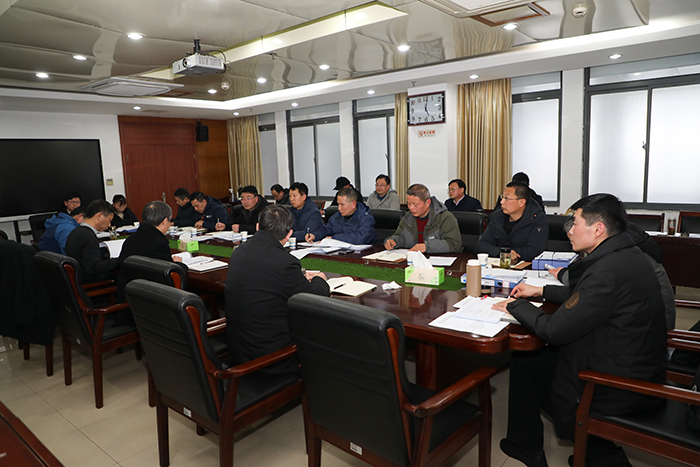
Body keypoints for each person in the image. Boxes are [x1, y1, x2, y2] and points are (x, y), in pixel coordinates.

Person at [492, 194, 667, 467]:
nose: (569, 231)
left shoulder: (606, 270)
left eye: (575, 223)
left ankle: (571, 447)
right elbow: (591, 298)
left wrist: (516, 306)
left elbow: (554, 330)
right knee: (532, 362)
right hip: (637, 362)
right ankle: (593, 452)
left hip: (618, 383)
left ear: (598, 229)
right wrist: (542, 290)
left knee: (529, 361)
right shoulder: (626, 255)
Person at [224, 205, 330, 375]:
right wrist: (320, 279)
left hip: (238, 351)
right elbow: (314, 298)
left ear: (257, 227)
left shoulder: (238, 252)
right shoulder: (284, 262)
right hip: (270, 360)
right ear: (289, 234)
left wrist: (298, 277)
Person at [116, 201, 185, 300]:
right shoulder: (158, 243)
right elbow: (169, 277)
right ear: (165, 221)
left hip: (130, 294)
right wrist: (178, 265)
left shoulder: (131, 239)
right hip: (149, 300)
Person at [477, 181, 548, 263]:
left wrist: (512, 253)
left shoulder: (537, 219)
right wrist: (502, 252)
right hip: (500, 264)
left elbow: (536, 250)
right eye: (502, 197)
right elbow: (482, 245)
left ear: (521, 202)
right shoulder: (497, 216)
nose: (501, 202)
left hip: (527, 266)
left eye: (506, 198)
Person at [384, 184, 461, 253]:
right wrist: (394, 241)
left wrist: (426, 247)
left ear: (427, 203)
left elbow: (454, 244)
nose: (411, 208)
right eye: (409, 203)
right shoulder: (408, 217)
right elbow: (400, 236)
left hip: (438, 260)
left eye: (415, 204)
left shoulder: (445, 217)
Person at [64, 200, 118, 283]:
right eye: (109, 220)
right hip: (89, 281)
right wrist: (118, 260)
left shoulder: (77, 231)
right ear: (99, 216)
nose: (109, 225)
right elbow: (93, 268)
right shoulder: (88, 236)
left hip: (79, 276)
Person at [306, 187, 377, 245]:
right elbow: (326, 230)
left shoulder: (366, 218)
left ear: (353, 204)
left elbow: (361, 238)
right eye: (338, 204)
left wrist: (334, 238)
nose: (339, 208)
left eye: (342, 205)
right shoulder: (337, 216)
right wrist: (314, 235)